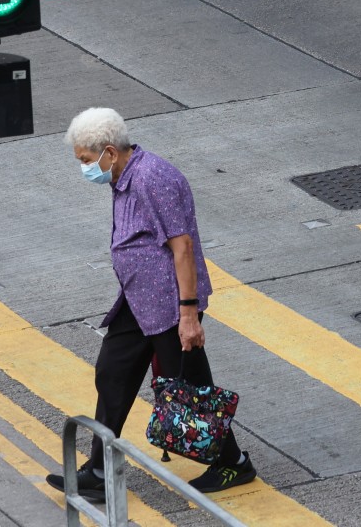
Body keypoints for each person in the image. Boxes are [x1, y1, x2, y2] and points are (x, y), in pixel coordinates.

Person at [46, 108, 256, 499]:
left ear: (109, 151)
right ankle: (98, 469)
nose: (85, 169)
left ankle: (233, 463)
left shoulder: (151, 178)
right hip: (137, 301)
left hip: (169, 307)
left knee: (192, 389)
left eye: (86, 161)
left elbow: (183, 247)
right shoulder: (123, 177)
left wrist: (189, 314)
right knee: (113, 373)